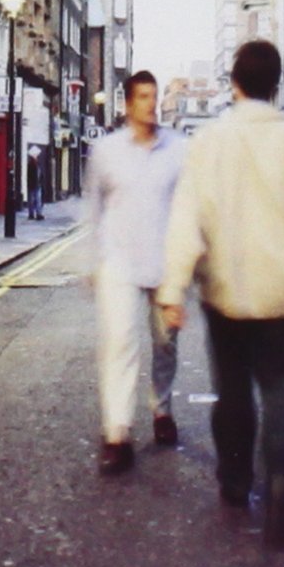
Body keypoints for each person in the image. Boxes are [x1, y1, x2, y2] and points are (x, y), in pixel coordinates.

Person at [156, 40, 284, 550]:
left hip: (226, 292)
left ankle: (235, 482)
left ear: (234, 83)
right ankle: (280, 484)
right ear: (276, 84)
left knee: (232, 392)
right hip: (281, 292)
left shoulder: (209, 142)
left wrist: (173, 289)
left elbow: (186, 219)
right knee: (283, 390)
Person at [83, 70, 187, 475]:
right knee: (120, 344)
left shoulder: (178, 149)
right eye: (142, 96)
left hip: (164, 263)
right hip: (119, 264)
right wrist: (92, 261)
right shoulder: (107, 151)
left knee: (165, 345)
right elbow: (93, 210)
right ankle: (118, 434)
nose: (150, 103)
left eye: (153, 96)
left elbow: (188, 210)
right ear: (127, 104)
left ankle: (162, 409)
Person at [26, 152, 44, 220]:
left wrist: (41, 181)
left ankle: (38, 214)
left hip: (37, 185)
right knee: (32, 200)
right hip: (33, 185)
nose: (36, 156)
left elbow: (40, 174)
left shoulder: (38, 164)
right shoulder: (31, 165)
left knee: (37, 200)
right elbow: (30, 176)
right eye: (35, 155)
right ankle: (32, 214)